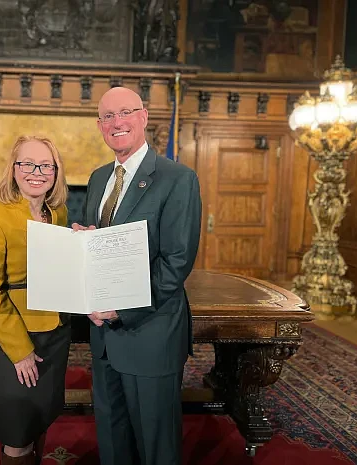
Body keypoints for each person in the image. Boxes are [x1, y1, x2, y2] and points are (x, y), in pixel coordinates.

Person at [72, 87, 202, 465]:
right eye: (108, 116)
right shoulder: (99, 178)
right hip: (104, 339)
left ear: (144, 117)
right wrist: (86, 242)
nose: (117, 123)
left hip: (150, 335)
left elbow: (176, 262)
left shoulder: (177, 178)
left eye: (125, 112)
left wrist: (120, 310)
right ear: (100, 126)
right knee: (113, 443)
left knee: (155, 447)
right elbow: (107, 246)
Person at [0, 135, 71, 465]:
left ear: (56, 172)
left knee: (41, 419)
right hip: (18, 338)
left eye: (45, 165)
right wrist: (20, 350)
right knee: (18, 433)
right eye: (27, 163)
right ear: (13, 170)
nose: (36, 172)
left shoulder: (57, 213)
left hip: (55, 332)